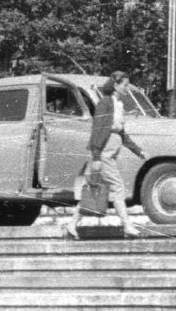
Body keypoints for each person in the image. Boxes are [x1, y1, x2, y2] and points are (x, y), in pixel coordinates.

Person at [65, 72, 146, 238]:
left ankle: (71, 224)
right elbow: (98, 129)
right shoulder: (105, 102)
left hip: (109, 152)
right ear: (116, 86)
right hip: (104, 153)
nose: (127, 88)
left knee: (94, 188)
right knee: (117, 187)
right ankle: (127, 226)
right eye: (124, 85)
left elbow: (121, 133)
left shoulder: (118, 103)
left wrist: (138, 150)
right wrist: (96, 157)